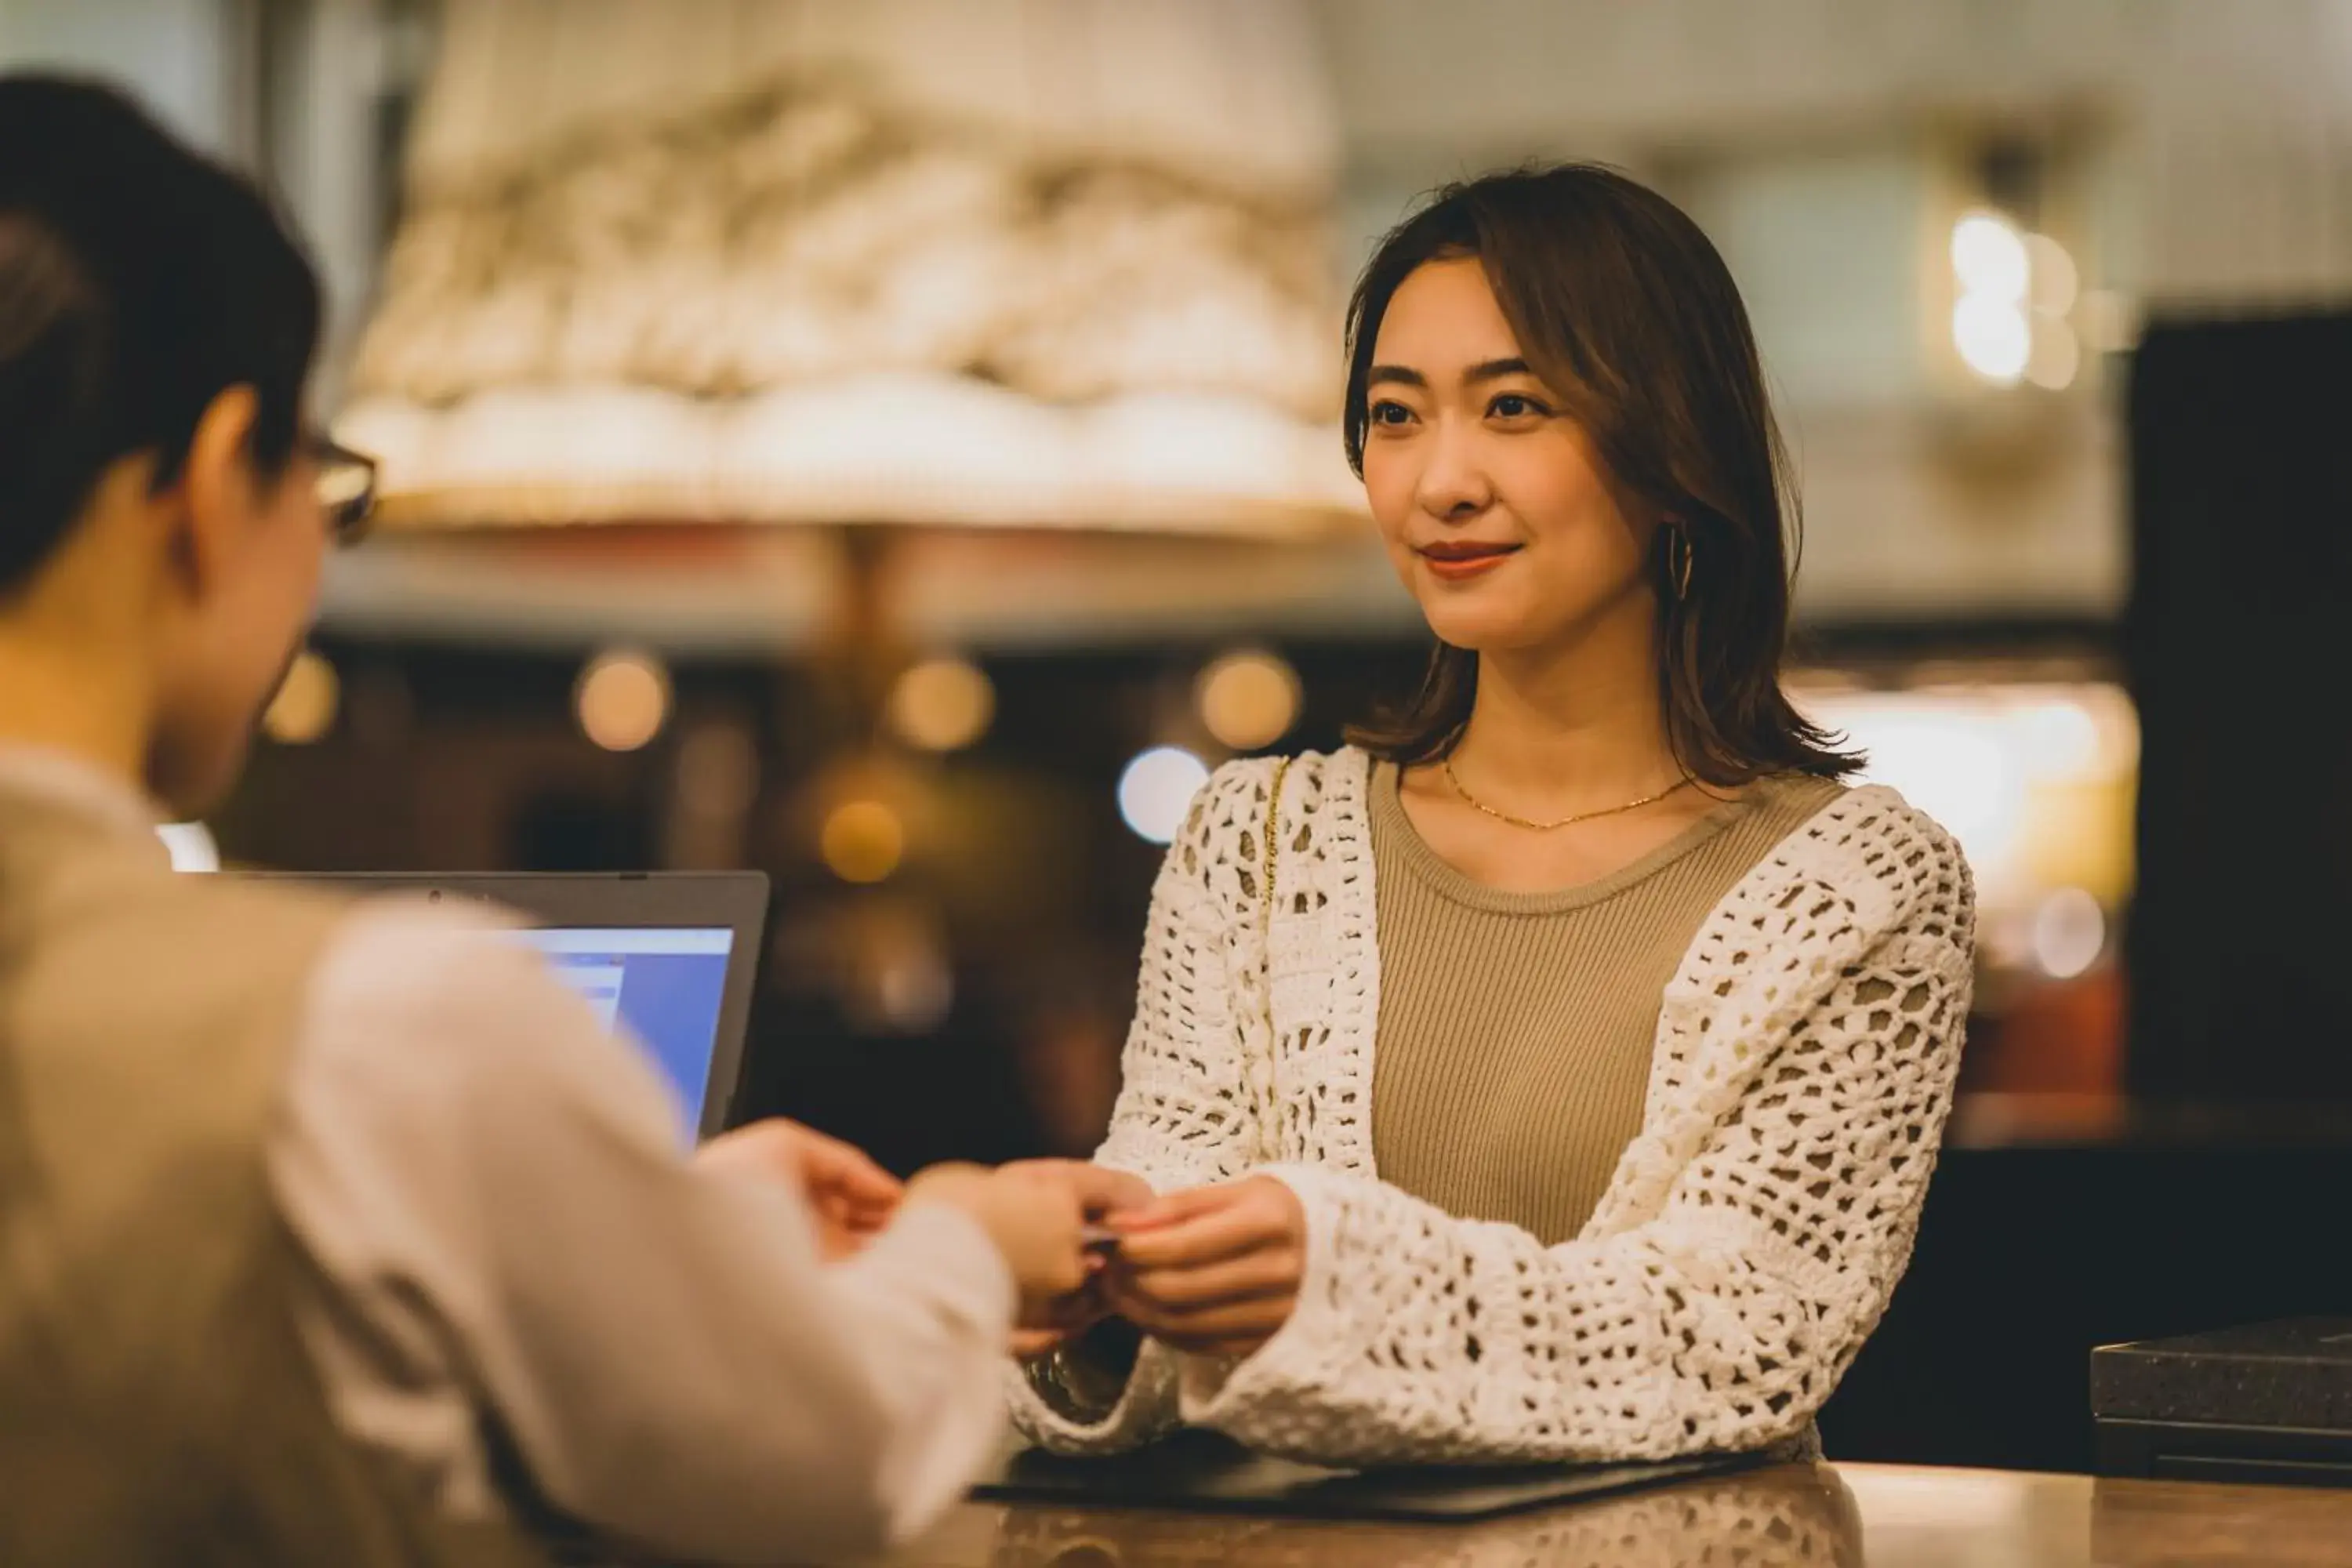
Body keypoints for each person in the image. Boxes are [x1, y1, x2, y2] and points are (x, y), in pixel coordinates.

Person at [0, 74, 1112, 1566]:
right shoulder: (377, 1023)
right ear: (212, 489)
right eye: (321, 486)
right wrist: (964, 1246)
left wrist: (663, 1229)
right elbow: (815, 1464)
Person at [1007, 165, 1977, 1466]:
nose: (1438, 483)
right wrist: (1092, 1269)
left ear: (1673, 452)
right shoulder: (1258, 840)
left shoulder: (1864, 888)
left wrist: (1335, 1277)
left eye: (1514, 407)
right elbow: (1176, 1184)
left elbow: (1737, 1330)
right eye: (1395, 417)